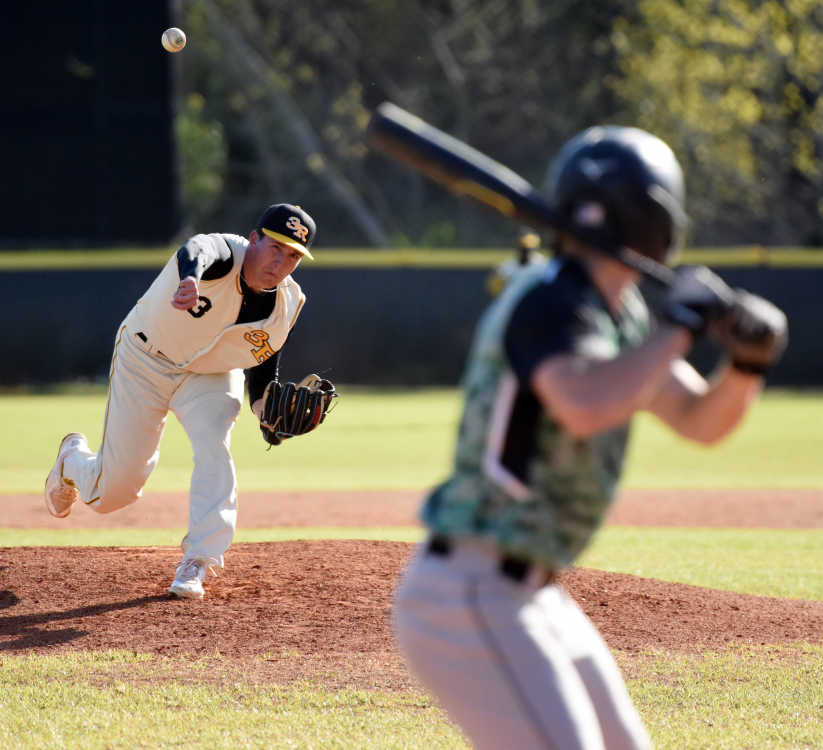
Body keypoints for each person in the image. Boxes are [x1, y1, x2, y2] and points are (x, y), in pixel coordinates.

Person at [393, 126, 788, 749]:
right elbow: (584, 403)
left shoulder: (622, 318)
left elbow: (698, 420)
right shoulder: (550, 300)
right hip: (471, 590)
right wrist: (682, 324)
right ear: (660, 220)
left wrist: (746, 366)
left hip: (533, 593)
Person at [45, 203, 325, 600]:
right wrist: (190, 278)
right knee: (113, 493)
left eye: (294, 255)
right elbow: (197, 249)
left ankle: (199, 559)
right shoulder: (224, 255)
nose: (281, 262)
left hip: (210, 375)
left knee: (215, 446)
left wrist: (270, 419)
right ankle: (72, 460)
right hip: (146, 359)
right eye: (275, 247)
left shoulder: (286, 305)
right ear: (254, 238)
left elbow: (262, 370)